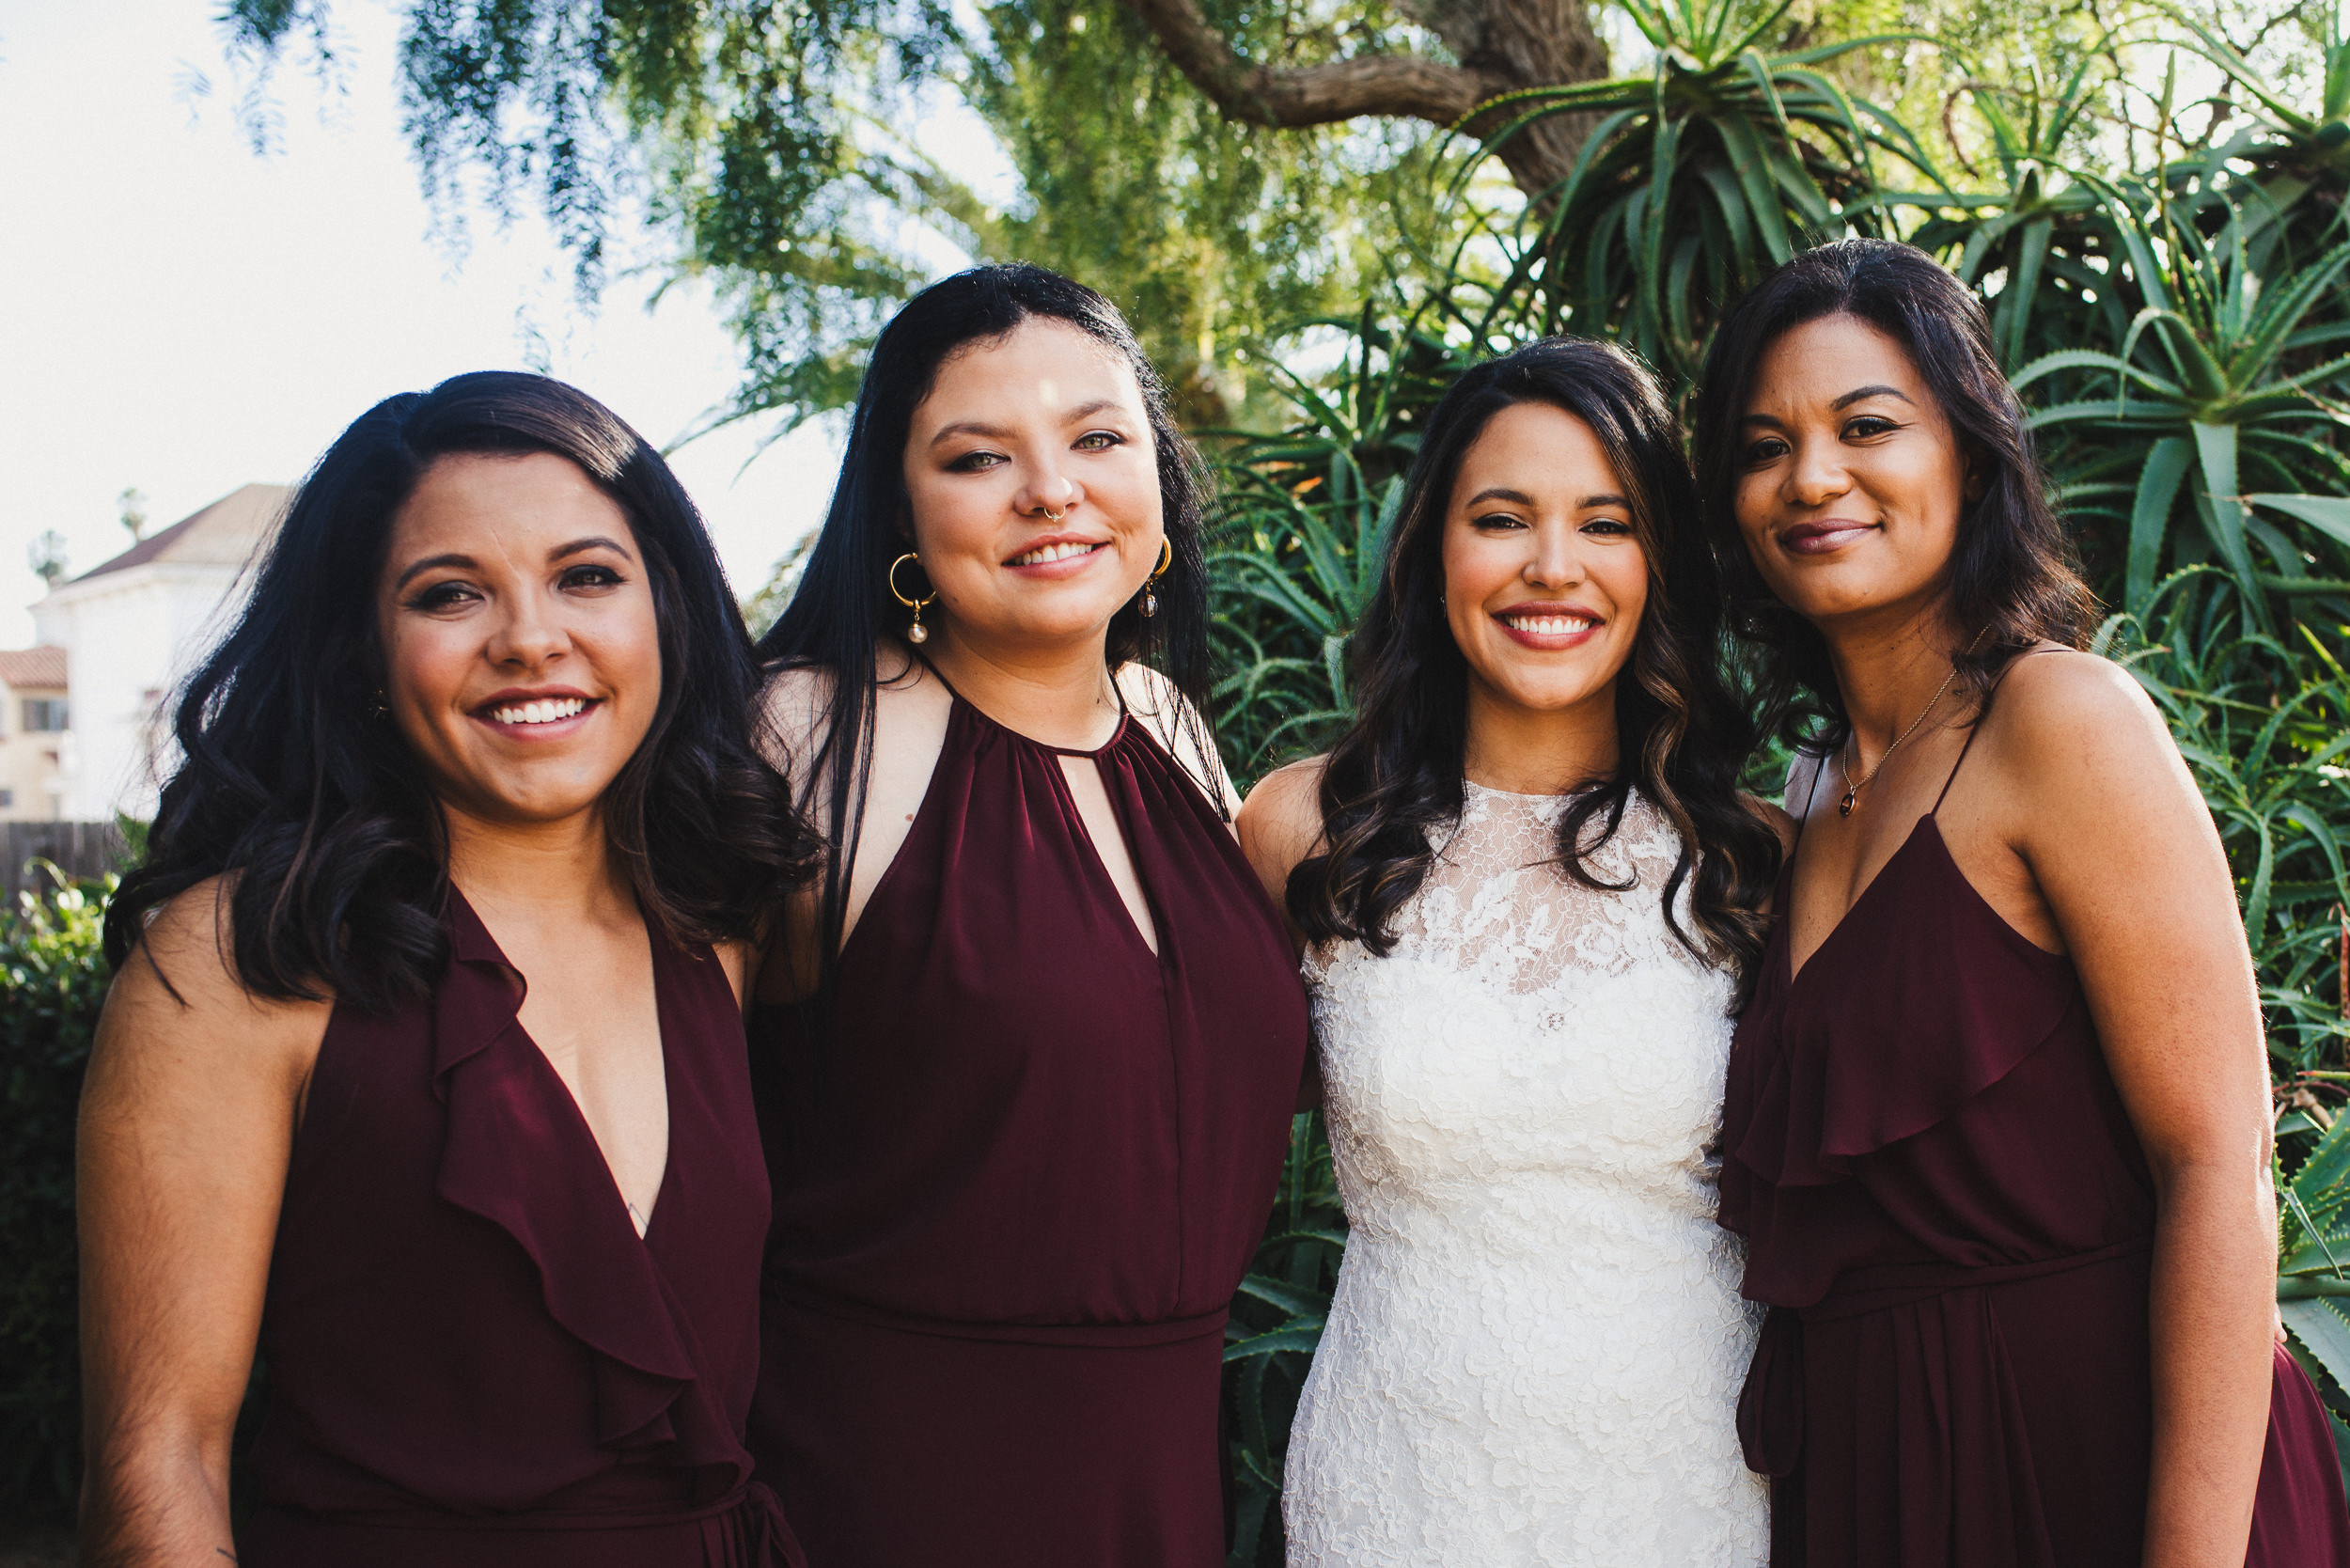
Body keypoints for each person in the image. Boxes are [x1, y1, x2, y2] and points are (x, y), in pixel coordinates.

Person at [77, 372, 814, 1568]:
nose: (531, 638)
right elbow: (160, 1460)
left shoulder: (724, 930)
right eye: (450, 593)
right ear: (364, 651)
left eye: (586, 576)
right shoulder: (237, 959)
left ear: (666, 613)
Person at [1696, 238, 2350, 1566]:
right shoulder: (1812, 793)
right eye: (1764, 447)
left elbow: (2219, 1168)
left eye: (1867, 426)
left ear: (1970, 451)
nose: (1813, 478)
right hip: (1880, 1487)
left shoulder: (2060, 719)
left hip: (2100, 1462)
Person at [744, 263, 1310, 1567]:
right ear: (900, 503)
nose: (1052, 489)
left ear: (1158, 480)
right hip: (881, 1485)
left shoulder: (1171, 730)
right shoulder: (804, 730)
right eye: (979, 457)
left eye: (1098, 439)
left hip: (1160, 1477)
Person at [1238, 337, 1786, 1564]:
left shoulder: (1757, 861)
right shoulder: (1298, 832)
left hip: (1683, 1494)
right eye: (1502, 518)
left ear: (1660, 563)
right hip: (1392, 1493)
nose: (1552, 567)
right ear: (1436, 547)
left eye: (1606, 523)